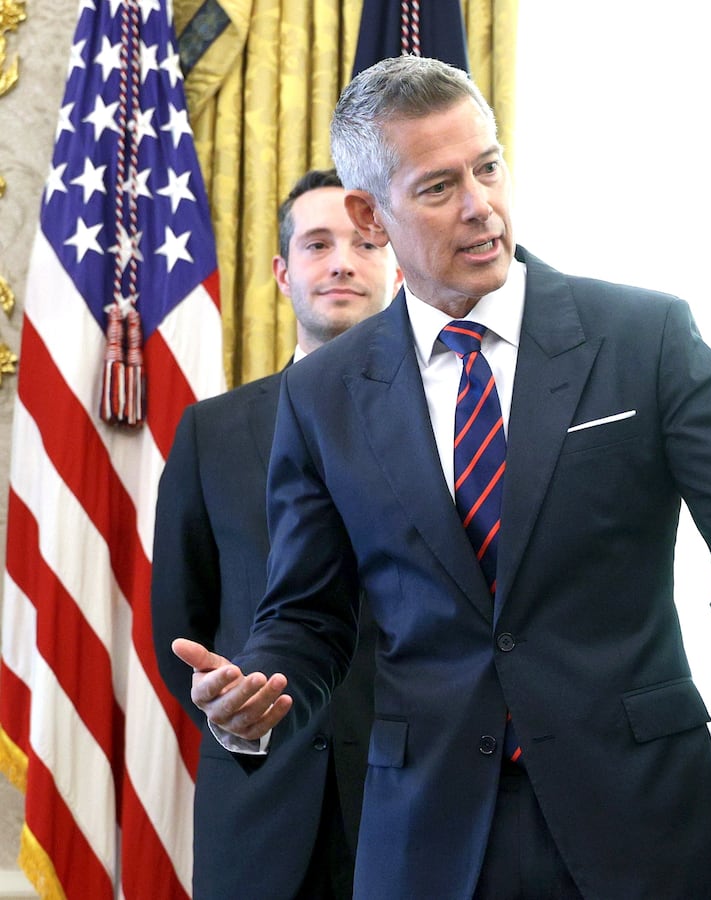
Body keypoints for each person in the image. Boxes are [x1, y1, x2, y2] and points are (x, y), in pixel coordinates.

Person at [168, 55, 711, 900]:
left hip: (645, 828)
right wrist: (258, 684)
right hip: (428, 842)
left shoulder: (645, 336)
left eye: (488, 167)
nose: (481, 205)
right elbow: (308, 615)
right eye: (438, 187)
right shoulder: (323, 395)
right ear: (368, 212)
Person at [150, 169, 401, 899]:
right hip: (258, 808)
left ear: (392, 262)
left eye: (364, 241)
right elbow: (181, 623)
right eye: (318, 244)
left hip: (415, 802)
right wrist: (238, 712)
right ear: (284, 272)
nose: (343, 262)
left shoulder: (454, 423)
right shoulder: (211, 432)